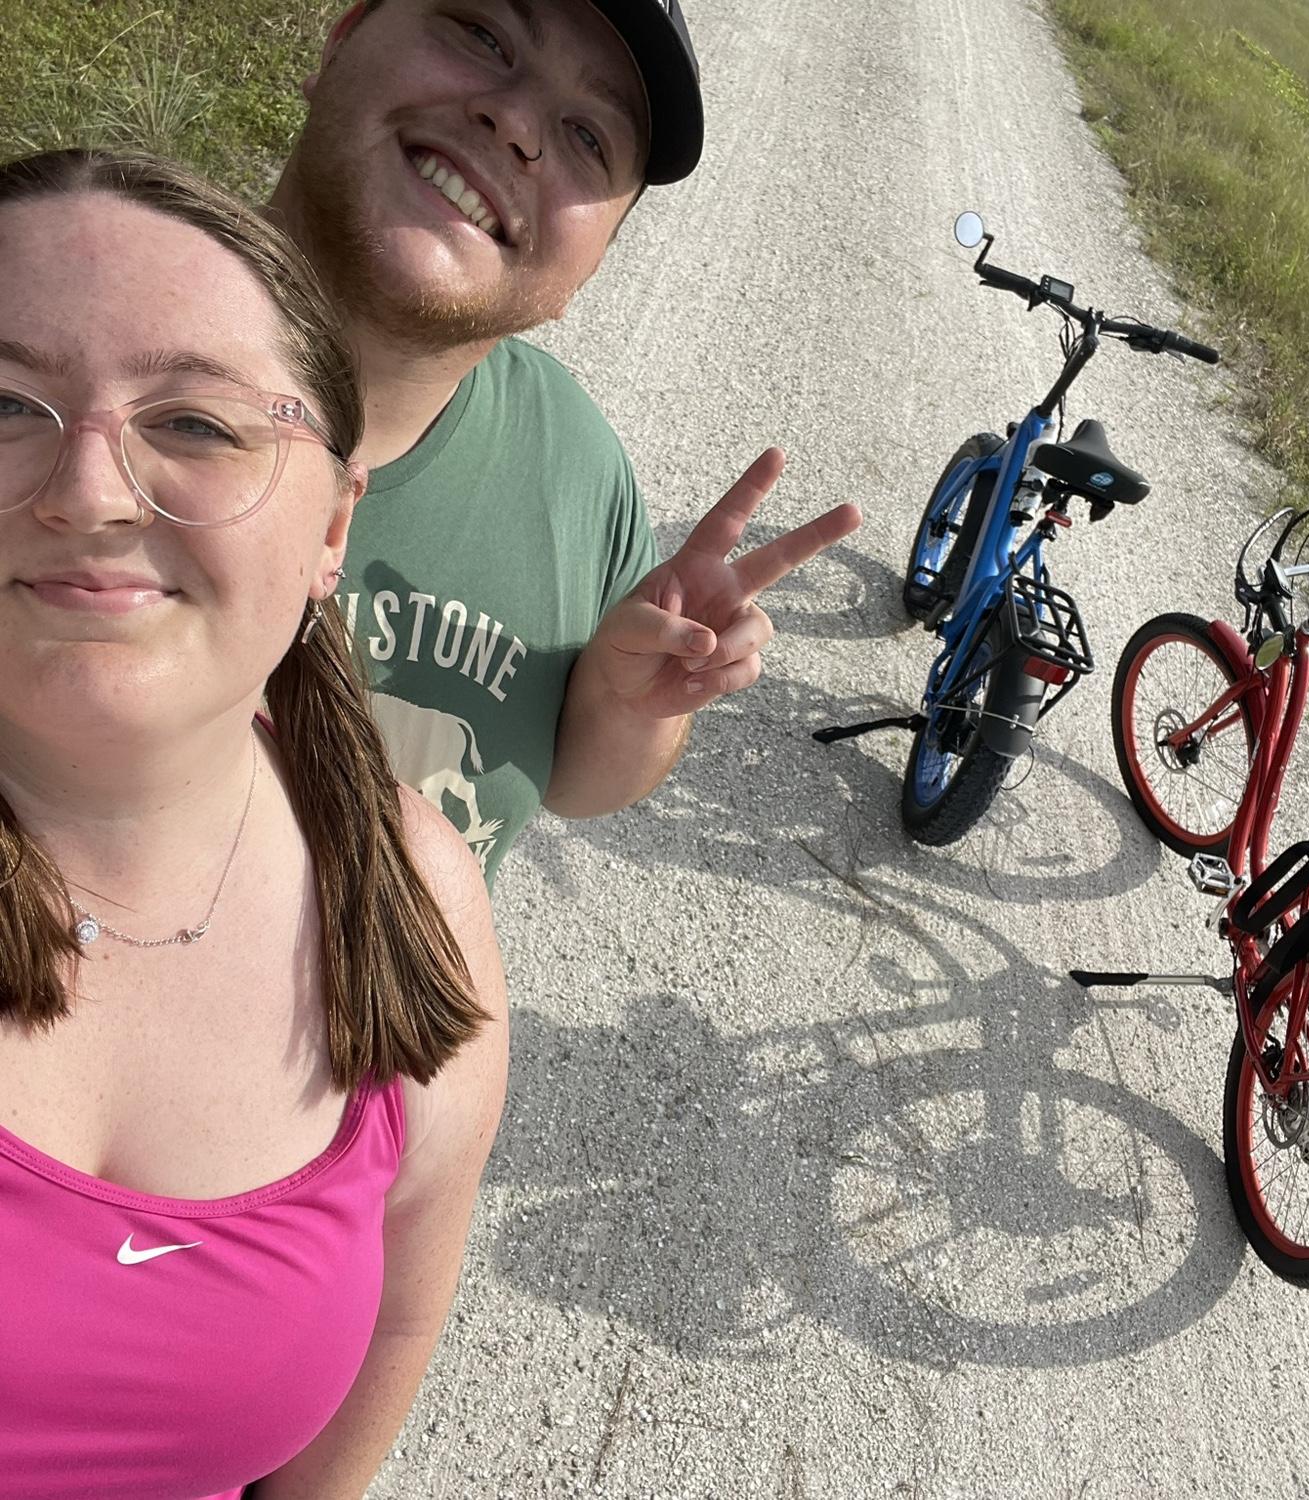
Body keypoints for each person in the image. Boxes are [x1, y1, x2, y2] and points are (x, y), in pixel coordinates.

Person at [0, 148, 508, 1499]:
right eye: (3, 403)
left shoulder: (414, 897)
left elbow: (391, 1335)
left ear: (335, 523)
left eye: (200, 424)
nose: (88, 492)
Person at [268, 0, 863, 878]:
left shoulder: (578, 472)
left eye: (588, 136)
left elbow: (574, 781)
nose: (515, 123)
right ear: (344, 34)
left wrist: (639, 708)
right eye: (482, 34)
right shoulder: (59, 342)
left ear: (584, 273)